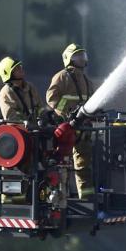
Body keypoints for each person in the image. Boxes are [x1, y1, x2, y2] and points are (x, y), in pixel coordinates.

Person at [46, 43, 96, 200]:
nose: (81, 59)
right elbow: (51, 98)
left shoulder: (88, 81)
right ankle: (60, 197)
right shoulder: (62, 76)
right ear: (68, 59)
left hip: (84, 129)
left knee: (84, 165)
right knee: (62, 165)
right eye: (77, 56)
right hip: (66, 128)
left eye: (82, 56)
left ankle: (86, 198)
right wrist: (66, 113)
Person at [0, 57, 43, 126]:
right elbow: (12, 119)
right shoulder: (6, 92)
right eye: (16, 69)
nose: (21, 69)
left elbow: (40, 107)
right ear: (8, 74)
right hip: (20, 132)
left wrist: (45, 115)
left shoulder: (30, 87)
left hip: (36, 129)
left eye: (20, 67)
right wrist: (27, 124)